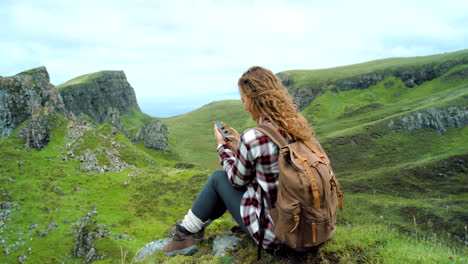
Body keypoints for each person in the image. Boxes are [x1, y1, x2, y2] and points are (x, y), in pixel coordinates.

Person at [162, 66, 315, 256]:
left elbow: (236, 180)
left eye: (244, 100)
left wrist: (222, 147)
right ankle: (193, 229)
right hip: (308, 227)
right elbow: (271, 172)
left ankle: (183, 235)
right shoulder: (298, 128)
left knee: (219, 178)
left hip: (276, 234)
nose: (244, 106)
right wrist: (241, 149)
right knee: (226, 178)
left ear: (254, 99)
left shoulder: (256, 137)